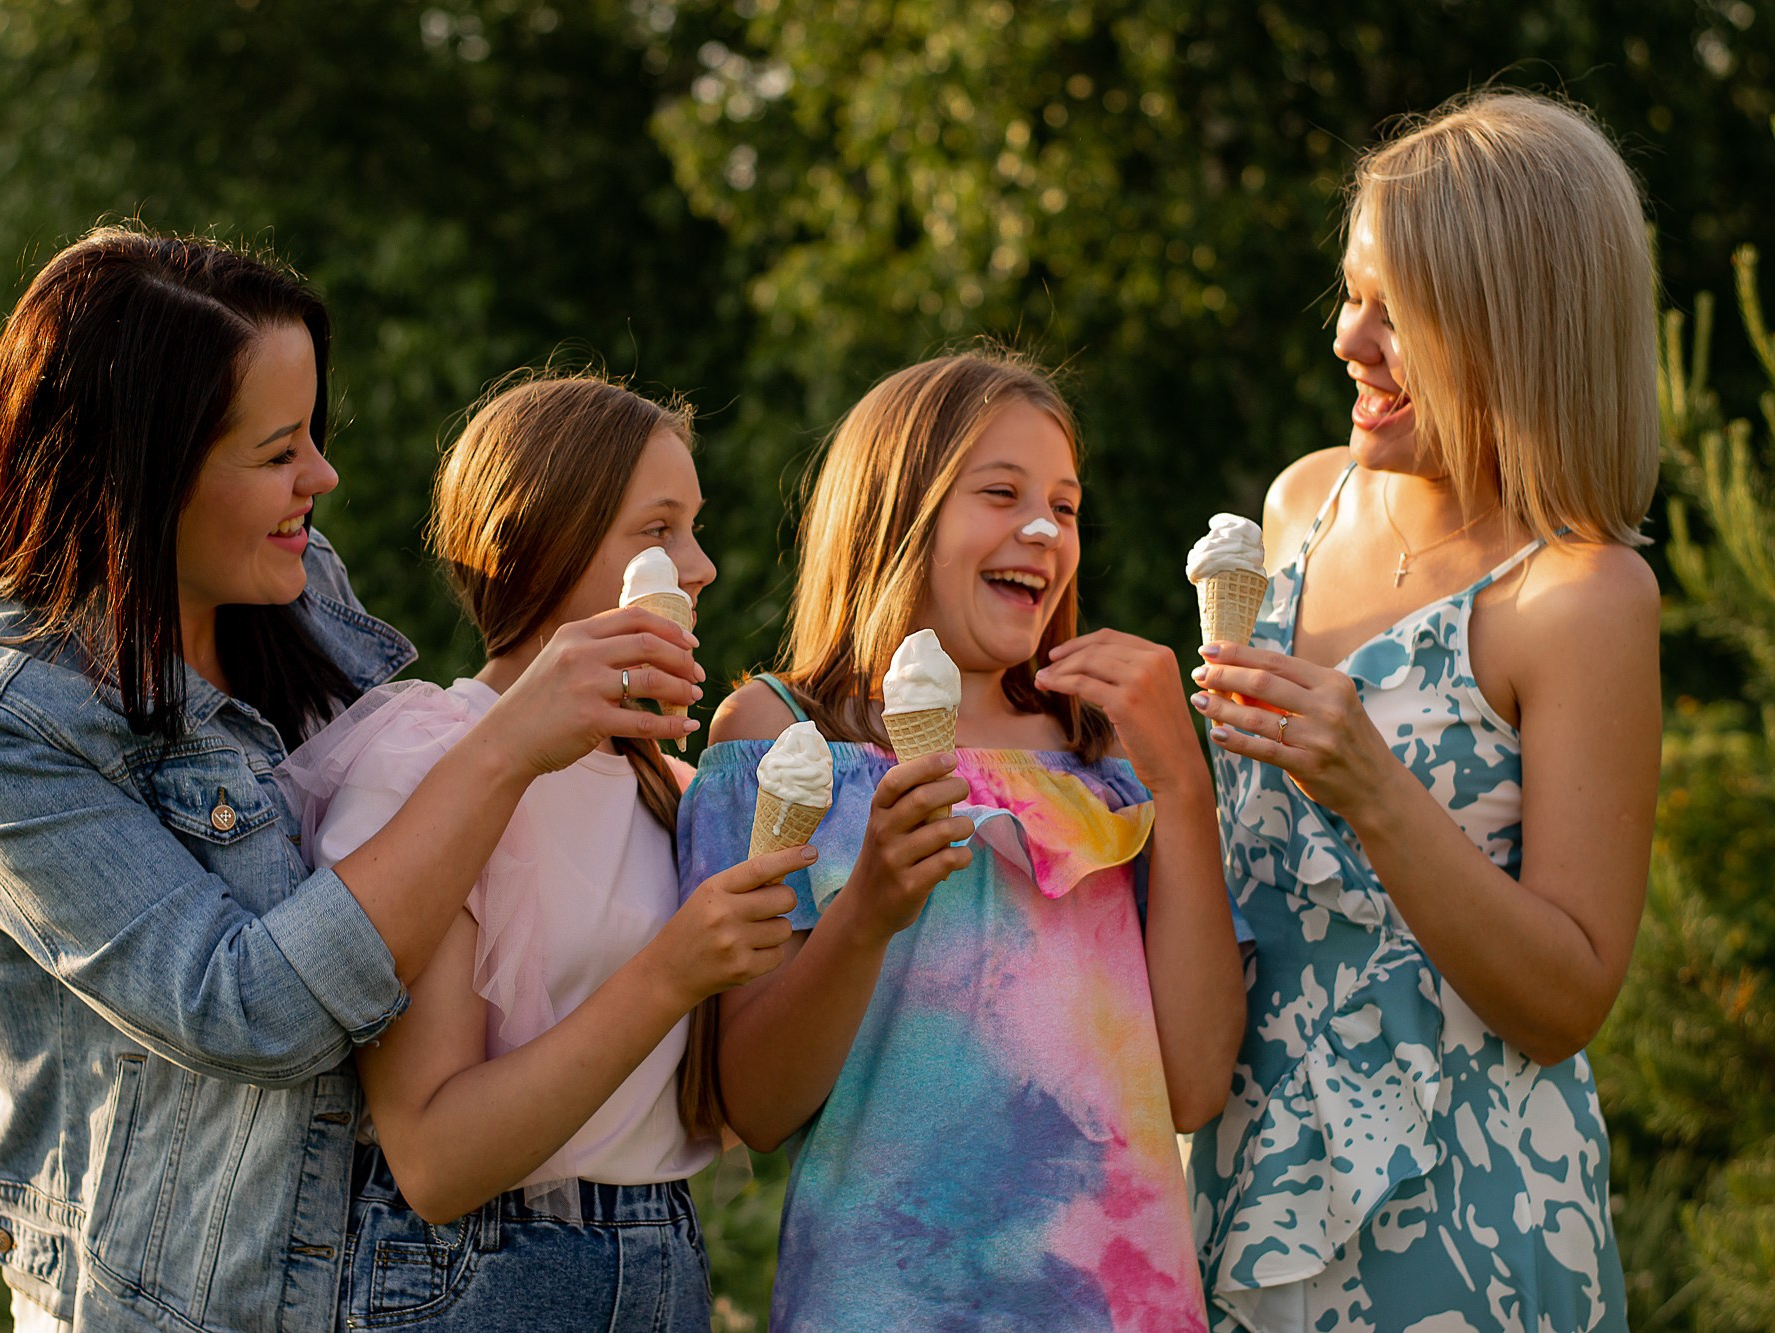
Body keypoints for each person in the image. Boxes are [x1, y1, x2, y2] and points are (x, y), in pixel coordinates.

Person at [0, 231, 697, 1331]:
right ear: (142, 474)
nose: (320, 478)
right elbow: (249, 1010)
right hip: (182, 1302)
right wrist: (509, 745)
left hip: (375, 1285)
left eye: (313, 435)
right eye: (278, 451)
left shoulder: (291, 582)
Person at [1184, 90, 1660, 1333]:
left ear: (1513, 329)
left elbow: (1565, 998)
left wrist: (1372, 787)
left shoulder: (1576, 596)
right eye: (1351, 294)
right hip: (1239, 1192)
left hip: (1464, 1231)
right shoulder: (1298, 509)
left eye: (1396, 314)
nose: (1348, 338)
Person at [678, 350, 1248, 1330]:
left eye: (1064, 507)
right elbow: (753, 1107)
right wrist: (866, 912)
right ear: (897, 511)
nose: (1041, 529)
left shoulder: (1104, 753)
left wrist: (1182, 788)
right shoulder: (780, 740)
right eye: (1000, 492)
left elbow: (1194, 1083)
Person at [275, 374, 808, 1332]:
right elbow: (435, 1162)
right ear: (540, 543)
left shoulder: (671, 789)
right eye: (659, 530)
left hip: (666, 1262)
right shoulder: (435, 765)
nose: (702, 565)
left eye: (695, 527)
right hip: (482, 1278)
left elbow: (725, 1108)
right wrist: (673, 970)